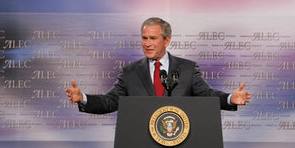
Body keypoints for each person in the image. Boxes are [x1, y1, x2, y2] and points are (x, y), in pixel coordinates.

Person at [65, 17, 250, 114]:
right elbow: (110, 102)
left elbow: (207, 96)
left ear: (167, 40)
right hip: (141, 147)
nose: (147, 43)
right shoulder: (130, 72)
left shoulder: (187, 69)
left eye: (153, 38)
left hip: (181, 146)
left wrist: (229, 99)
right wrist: (83, 98)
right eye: (144, 38)